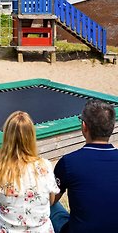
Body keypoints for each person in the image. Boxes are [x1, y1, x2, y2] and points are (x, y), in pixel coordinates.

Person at [0, 111, 60, 232]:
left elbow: (0, 198)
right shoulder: (44, 166)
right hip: (39, 230)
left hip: (7, 229)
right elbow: (51, 201)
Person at [51, 99, 118, 233]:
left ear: (84, 126)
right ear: (111, 127)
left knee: (51, 207)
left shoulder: (69, 162)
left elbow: (49, 200)